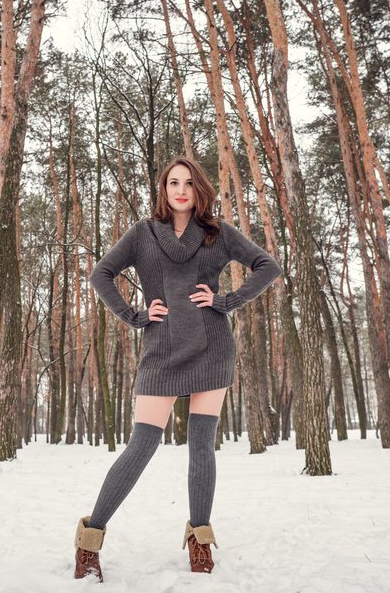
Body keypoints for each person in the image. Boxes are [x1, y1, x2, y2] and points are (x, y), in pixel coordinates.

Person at [73, 156, 282, 581]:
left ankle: (199, 540)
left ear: (198, 188)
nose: (181, 190)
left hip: (212, 349)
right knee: (141, 446)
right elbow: (101, 274)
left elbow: (268, 266)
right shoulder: (143, 233)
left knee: (202, 447)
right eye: (173, 183)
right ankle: (89, 541)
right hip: (161, 351)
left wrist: (225, 301)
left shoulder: (217, 233)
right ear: (164, 190)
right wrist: (134, 315)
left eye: (188, 183)